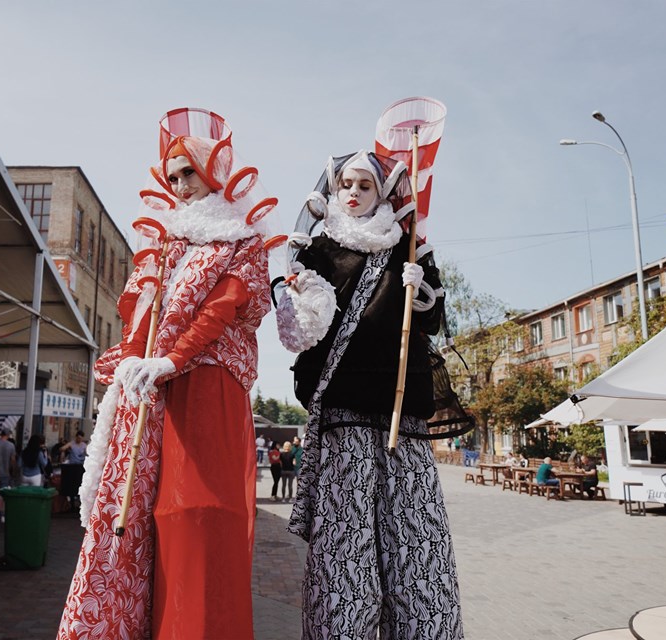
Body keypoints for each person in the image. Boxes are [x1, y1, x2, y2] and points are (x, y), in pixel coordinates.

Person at [59, 108, 272, 639]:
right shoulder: (162, 241)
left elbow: (222, 309)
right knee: (131, 517)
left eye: (189, 173)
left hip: (206, 387)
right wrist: (134, 358)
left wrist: (172, 360)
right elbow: (142, 310)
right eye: (172, 176)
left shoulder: (241, 239)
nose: (180, 185)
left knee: (197, 515)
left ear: (215, 173)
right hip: (150, 395)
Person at [275, 146, 466, 637]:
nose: (355, 193)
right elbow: (302, 327)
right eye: (347, 185)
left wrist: (421, 289)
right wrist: (290, 294)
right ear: (334, 190)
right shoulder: (317, 249)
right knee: (347, 541)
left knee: (416, 541)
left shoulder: (409, 247)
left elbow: (434, 318)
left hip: (403, 412)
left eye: (366, 186)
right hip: (345, 408)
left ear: (382, 193)